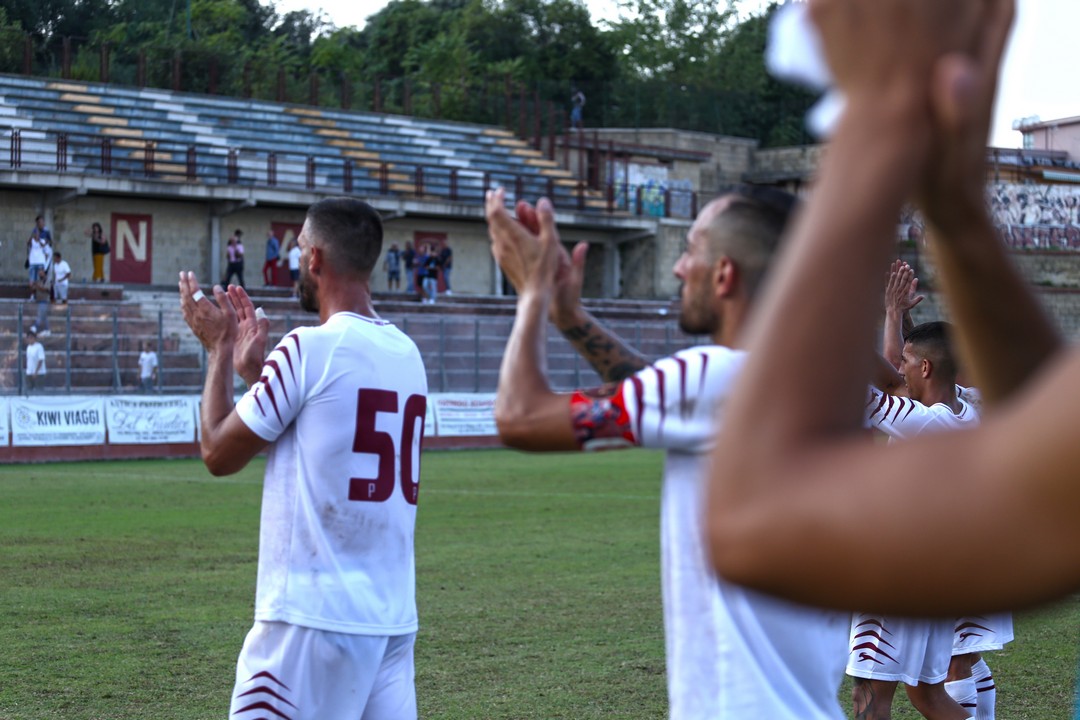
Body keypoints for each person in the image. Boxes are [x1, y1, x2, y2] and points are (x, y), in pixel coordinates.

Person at [701, 0, 1078, 618]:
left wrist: (879, 115)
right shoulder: (967, 411)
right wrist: (953, 209)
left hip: (921, 556)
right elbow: (1050, 428)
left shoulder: (930, 423)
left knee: (918, 693)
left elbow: (751, 522)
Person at [484, 185, 850, 719]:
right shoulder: (815, 384)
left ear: (724, 274)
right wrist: (570, 317)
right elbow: (667, 390)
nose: (679, 268)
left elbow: (518, 417)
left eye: (691, 249)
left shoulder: (718, 378)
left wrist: (532, 292)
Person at [178, 197, 427, 720]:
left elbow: (217, 452)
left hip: (311, 623)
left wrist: (220, 350)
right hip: (390, 624)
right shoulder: (408, 354)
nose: (296, 261)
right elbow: (325, 431)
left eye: (299, 250)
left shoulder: (308, 348)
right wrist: (256, 376)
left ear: (315, 259)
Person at [847, 322, 977, 720]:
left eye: (905, 360)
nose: (898, 368)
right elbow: (888, 384)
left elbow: (862, 391)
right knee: (929, 697)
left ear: (925, 368)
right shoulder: (968, 411)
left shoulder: (926, 424)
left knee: (870, 699)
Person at [27, 217, 50, 286]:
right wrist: (32, 237)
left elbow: (44, 245)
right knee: (32, 281)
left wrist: (39, 239)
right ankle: (33, 294)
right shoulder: (32, 241)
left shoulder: (43, 239)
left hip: (40, 261)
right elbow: (28, 243)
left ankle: (44, 278)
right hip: (33, 261)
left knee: (41, 273)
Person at [30, 267, 51, 338]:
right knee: (43, 316)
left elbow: (46, 289)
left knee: (41, 315)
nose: (39, 274)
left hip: (45, 300)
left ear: (44, 273)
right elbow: (34, 289)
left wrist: (37, 286)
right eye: (39, 273)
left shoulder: (48, 281)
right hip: (39, 300)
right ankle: (47, 330)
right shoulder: (38, 281)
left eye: (41, 272)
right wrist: (32, 286)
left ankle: (34, 327)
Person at [24, 328, 45, 392]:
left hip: (38, 374)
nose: (29, 339)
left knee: (39, 392)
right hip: (29, 373)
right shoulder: (28, 347)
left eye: (31, 337)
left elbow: (41, 360)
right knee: (29, 391)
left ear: (34, 338)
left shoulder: (39, 347)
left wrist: (36, 372)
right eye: (28, 338)